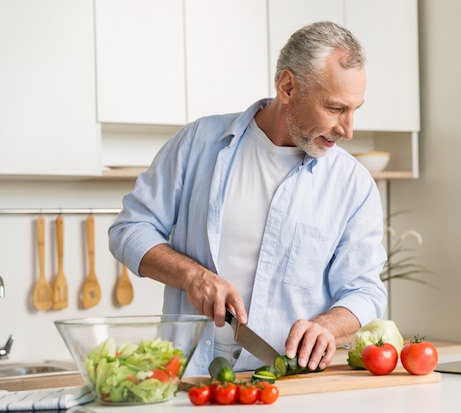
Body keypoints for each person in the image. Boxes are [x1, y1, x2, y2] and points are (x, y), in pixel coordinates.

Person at [108, 21, 388, 376]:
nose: (348, 130)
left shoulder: (353, 184)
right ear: (288, 87)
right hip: (186, 375)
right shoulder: (198, 144)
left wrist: (329, 326)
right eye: (335, 109)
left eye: (354, 110)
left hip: (287, 380)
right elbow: (130, 230)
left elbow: (365, 291)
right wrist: (193, 276)